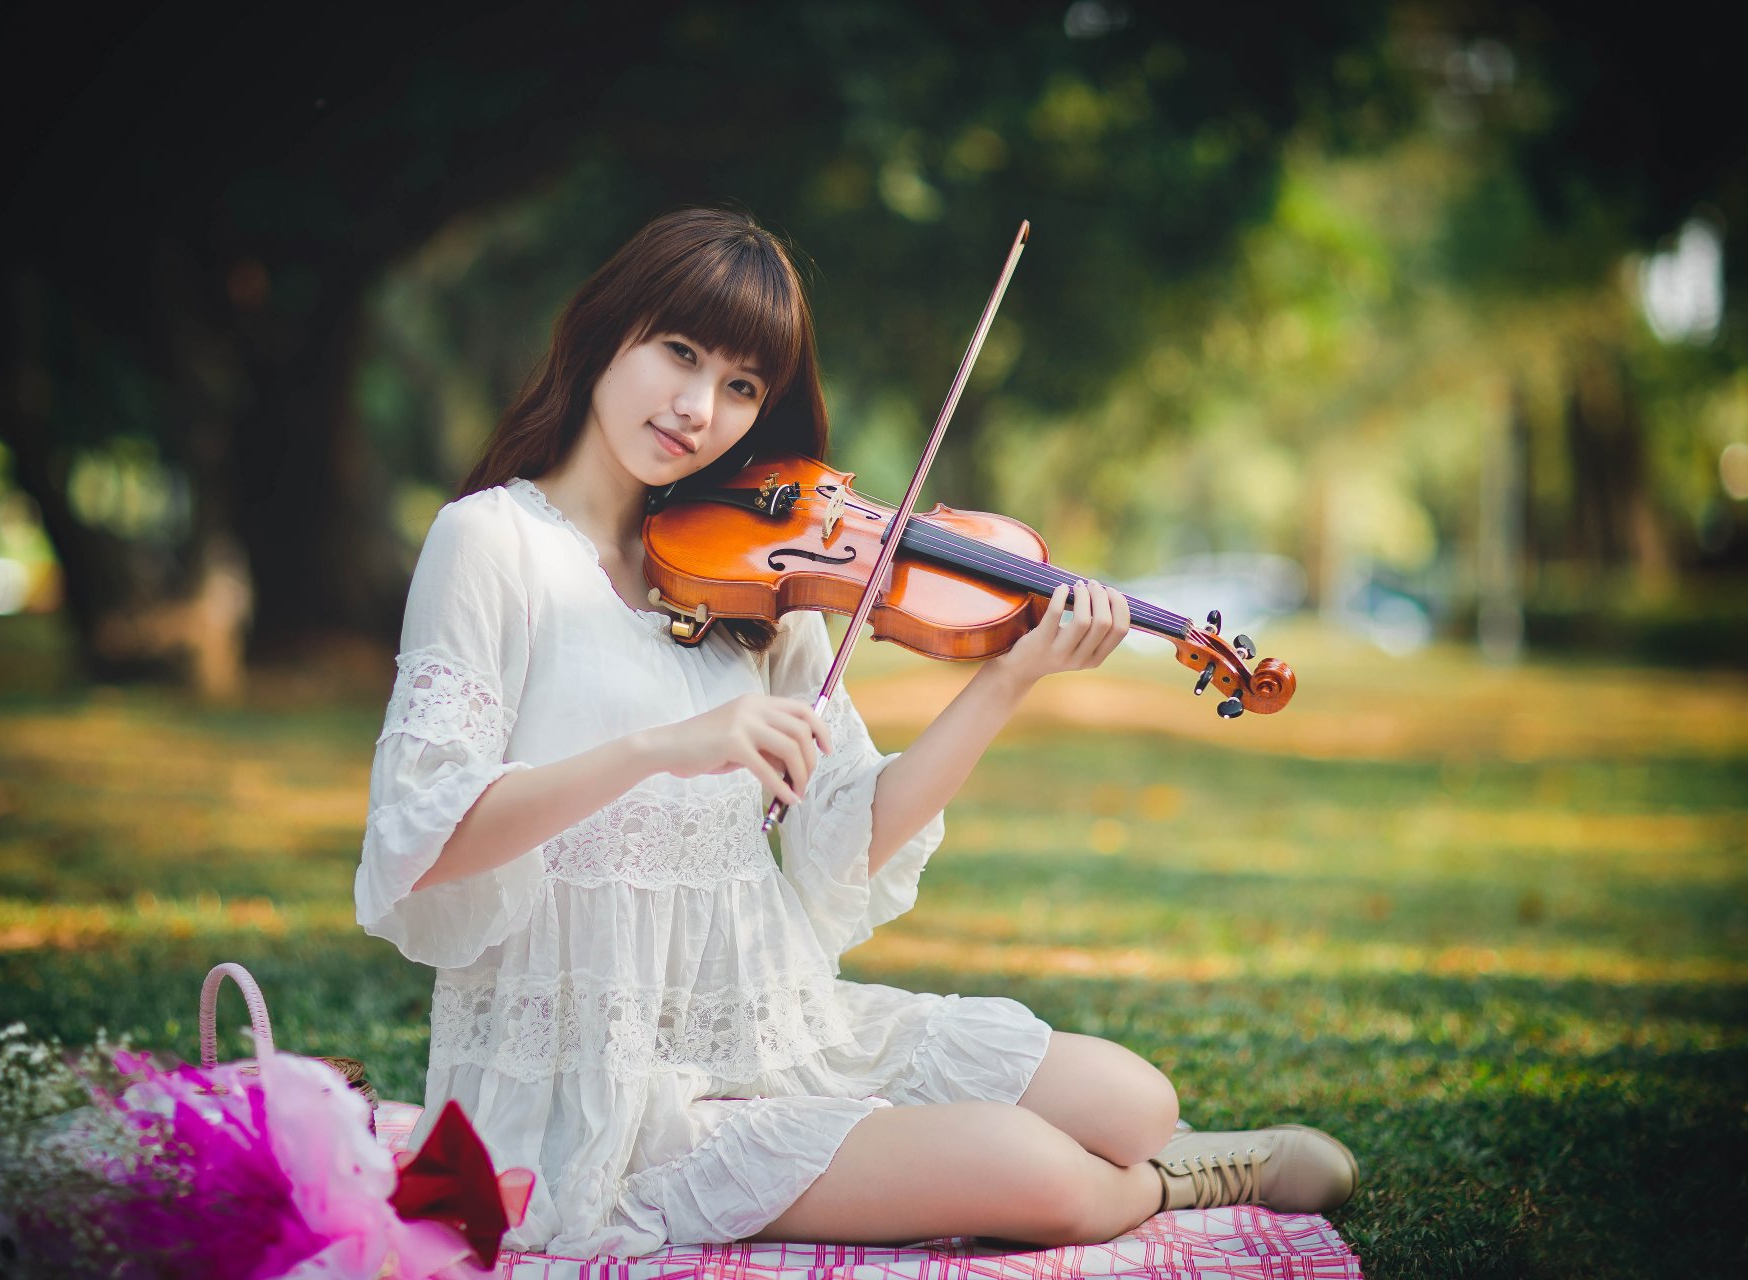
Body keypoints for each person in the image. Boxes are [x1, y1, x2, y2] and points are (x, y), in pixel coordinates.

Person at [354, 208, 1357, 1257]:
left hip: (769, 1019)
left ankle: (1158, 1149)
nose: (699, 409)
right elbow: (424, 841)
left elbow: (849, 837)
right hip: (600, 1080)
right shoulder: (493, 543)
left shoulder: (752, 567)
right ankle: (1168, 1185)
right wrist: (668, 745)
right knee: (1046, 1177)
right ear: (606, 331)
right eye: (680, 353)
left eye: (742, 386)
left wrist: (1007, 680)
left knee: (1134, 1095)